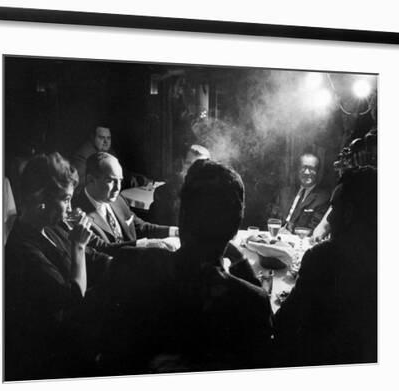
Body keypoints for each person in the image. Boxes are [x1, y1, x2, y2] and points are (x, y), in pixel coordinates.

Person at [96, 159, 273, 375]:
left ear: (182, 217)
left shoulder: (129, 264)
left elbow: (99, 348)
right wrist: (241, 262)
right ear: (235, 229)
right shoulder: (252, 303)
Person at [4, 153, 107, 381]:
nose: (71, 208)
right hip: (55, 357)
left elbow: (93, 257)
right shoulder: (21, 250)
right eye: (66, 199)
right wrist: (78, 247)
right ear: (40, 200)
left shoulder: (52, 227)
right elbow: (72, 299)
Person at [274, 167, 377, 367]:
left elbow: (283, 324)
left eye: (334, 209)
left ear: (348, 214)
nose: (329, 219)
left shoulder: (322, 257)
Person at [72, 152, 179, 250]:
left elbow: (140, 227)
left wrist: (175, 231)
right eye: (110, 181)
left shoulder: (118, 199)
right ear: (91, 180)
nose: (118, 188)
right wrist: (148, 243)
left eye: (120, 181)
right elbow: (104, 248)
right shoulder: (78, 213)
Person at [150, 144, 211, 226]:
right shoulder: (163, 193)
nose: (194, 169)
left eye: (199, 165)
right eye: (189, 163)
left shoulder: (212, 194)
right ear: (182, 165)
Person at [283, 152, 330, 234]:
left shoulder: (323, 198)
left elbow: (314, 229)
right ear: (298, 169)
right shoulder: (284, 192)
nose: (307, 172)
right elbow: (271, 218)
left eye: (311, 169)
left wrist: (290, 233)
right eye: (303, 167)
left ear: (317, 172)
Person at [71, 124, 115, 189]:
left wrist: (129, 177)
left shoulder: (109, 150)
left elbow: (117, 167)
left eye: (108, 138)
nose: (106, 142)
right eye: (101, 138)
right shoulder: (83, 154)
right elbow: (78, 180)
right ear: (92, 137)